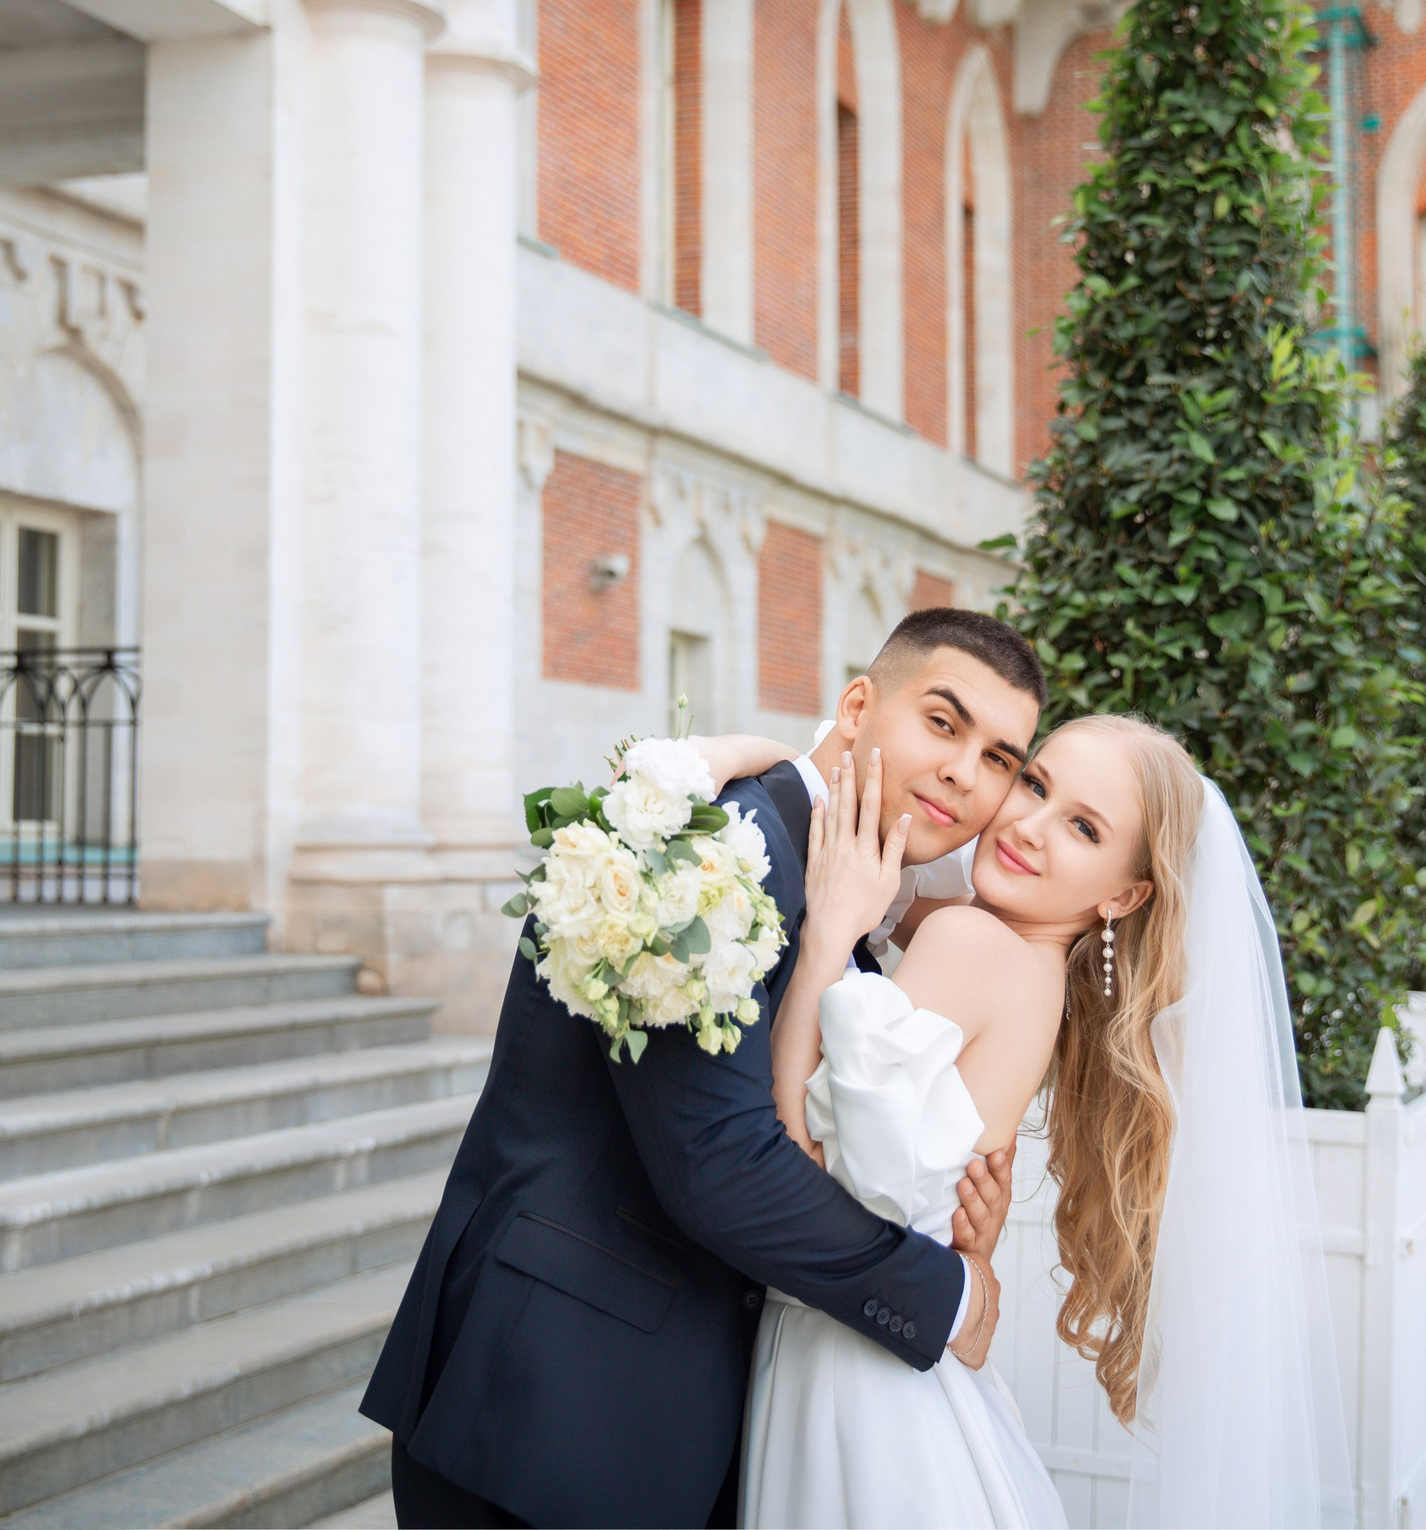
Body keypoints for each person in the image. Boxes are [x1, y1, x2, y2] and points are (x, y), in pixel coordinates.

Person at [360, 610, 1050, 1528]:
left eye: (1000, 758)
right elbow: (722, 1164)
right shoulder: (712, 850)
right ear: (856, 705)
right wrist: (945, 1292)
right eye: (942, 722)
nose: (967, 773)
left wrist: (955, 1196)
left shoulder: (859, 904)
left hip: (687, 1422)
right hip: (553, 1404)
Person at [712, 715, 1352, 1529]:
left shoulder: (970, 939)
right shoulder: (1038, 972)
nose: (1027, 825)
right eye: (1035, 783)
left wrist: (826, 942)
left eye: (1083, 827)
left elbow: (793, 1159)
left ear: (1123, 894)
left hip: (850, 1375)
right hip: (897, 1365)